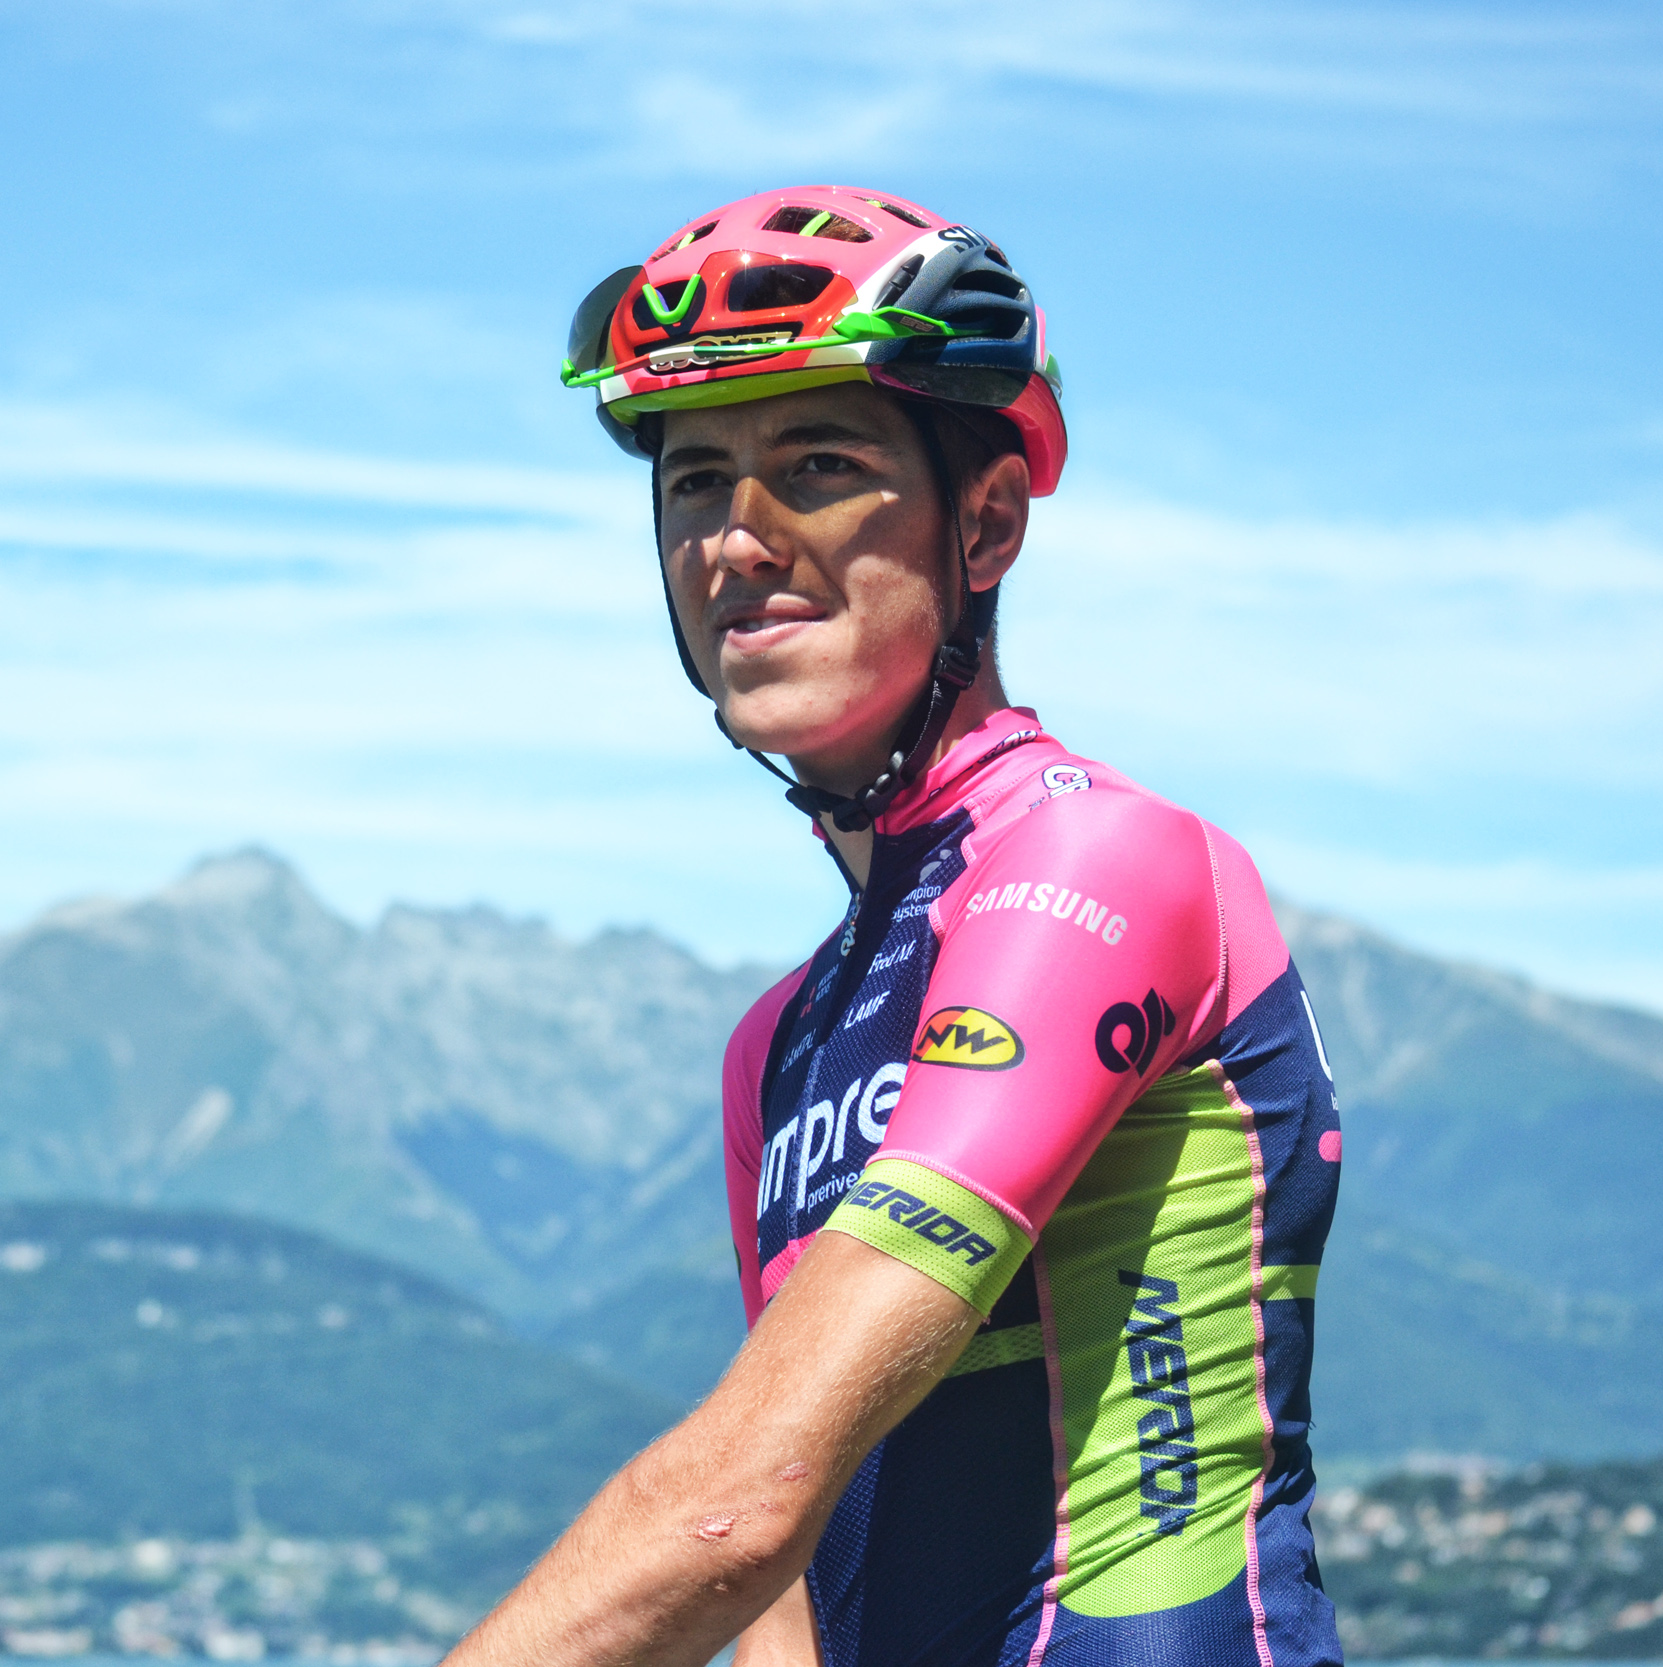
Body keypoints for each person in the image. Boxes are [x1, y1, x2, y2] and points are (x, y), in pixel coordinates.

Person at [443, 186, 1345, 1667]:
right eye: (695, 481)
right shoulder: (778, 1041)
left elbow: (731, 1503)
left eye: (819, 466)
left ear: (984, 524)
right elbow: (784, 1578)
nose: (737, 541)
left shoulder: (1096, 864)